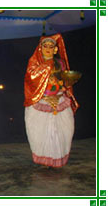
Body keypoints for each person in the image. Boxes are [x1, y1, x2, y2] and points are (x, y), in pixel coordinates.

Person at [24, 33, 79, 168]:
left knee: (63, 130)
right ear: (40, 48)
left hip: (59, 99)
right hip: (41, 101)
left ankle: (58, 158)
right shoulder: (35, 63)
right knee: (40, 131)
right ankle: (43, 159)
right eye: (45, 46)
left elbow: (64, 80)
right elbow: (31, 79)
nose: (48, 49)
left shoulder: (60, 63)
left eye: (51, 46)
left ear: (55, 49)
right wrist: (46, 69)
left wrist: (62, 83)